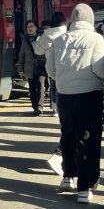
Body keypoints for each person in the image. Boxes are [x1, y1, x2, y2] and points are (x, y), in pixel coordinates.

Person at [46, 3, 104, 204]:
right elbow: (102, 70)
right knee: (89, 141)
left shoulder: (59, 40)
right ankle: (85, 187)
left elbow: (51, 70)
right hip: (89, 96)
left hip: (65, 96)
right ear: (90, 19)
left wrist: (65, 79)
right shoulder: (96, 39)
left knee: (68, 136)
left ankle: (68, 177)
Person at [34, 12, 68, 175]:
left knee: (65, 117)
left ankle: (55, 109)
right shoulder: (68, 34)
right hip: (71, 78)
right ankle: (61, 158)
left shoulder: (46, 35)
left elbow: (37, 51)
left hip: (54, 74)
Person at [16, 20, 47, 116]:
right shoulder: (25, 40)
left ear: (36, 28)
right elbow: (21, 55)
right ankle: (34, 106)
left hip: (40, 66)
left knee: (41, 87)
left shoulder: (42, 38)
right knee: (32, 88)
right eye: (28, 27)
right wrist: (20, 69)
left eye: (31, 26)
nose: (29, 28)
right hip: (29, 68)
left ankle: (40, 106)